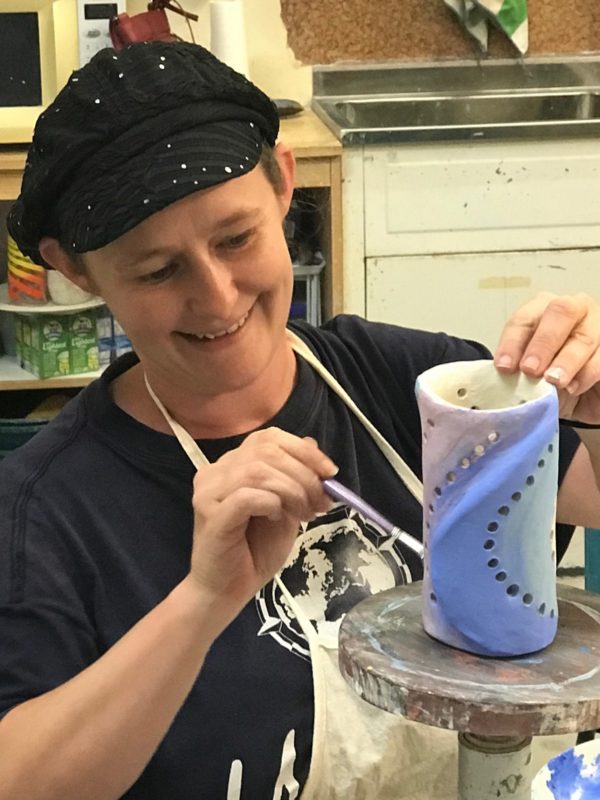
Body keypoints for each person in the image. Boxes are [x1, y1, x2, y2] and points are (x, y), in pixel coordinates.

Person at [0, 40, 599, 800]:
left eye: (236, 239)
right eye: (159, 270)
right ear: (75, 269)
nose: (218, 298)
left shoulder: (412, 386)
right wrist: (203, 600)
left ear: (283, 183)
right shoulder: (45, 512)